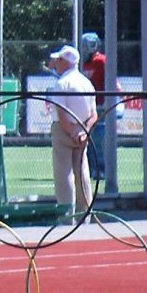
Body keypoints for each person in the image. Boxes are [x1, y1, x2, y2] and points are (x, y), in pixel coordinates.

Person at [42, 44, 97, 216]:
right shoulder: (86, 83)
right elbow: (94, 113)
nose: (56, 63)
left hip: (64, 130)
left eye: (59, 60)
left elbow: (61, 112)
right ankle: (84, 213)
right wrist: (84, 131)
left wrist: (72, 131)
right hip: (82, 129)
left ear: (65, 62)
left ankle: (67, 214)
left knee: (64, 172)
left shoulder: (62, 83)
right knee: (82, 172)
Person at [78, 31, 112, 184]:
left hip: (100, 106)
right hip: (87, 107)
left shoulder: (102, 61)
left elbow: (109, 82)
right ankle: (92, 168)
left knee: (98, 140)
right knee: (89, 141)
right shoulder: (82, 64)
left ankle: (102, 170)